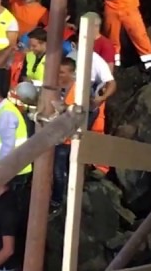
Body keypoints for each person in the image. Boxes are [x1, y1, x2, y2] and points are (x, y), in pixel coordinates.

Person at [43, 54, 117, 197]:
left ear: (72, 73)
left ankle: (59, 199)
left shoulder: (79, 92)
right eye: (58, 72)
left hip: (69, 139)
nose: (59, 75)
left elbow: (86, 114)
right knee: (62, 168)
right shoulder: (62, 88)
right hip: (63, 136)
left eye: (62, 72)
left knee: (61, 168)